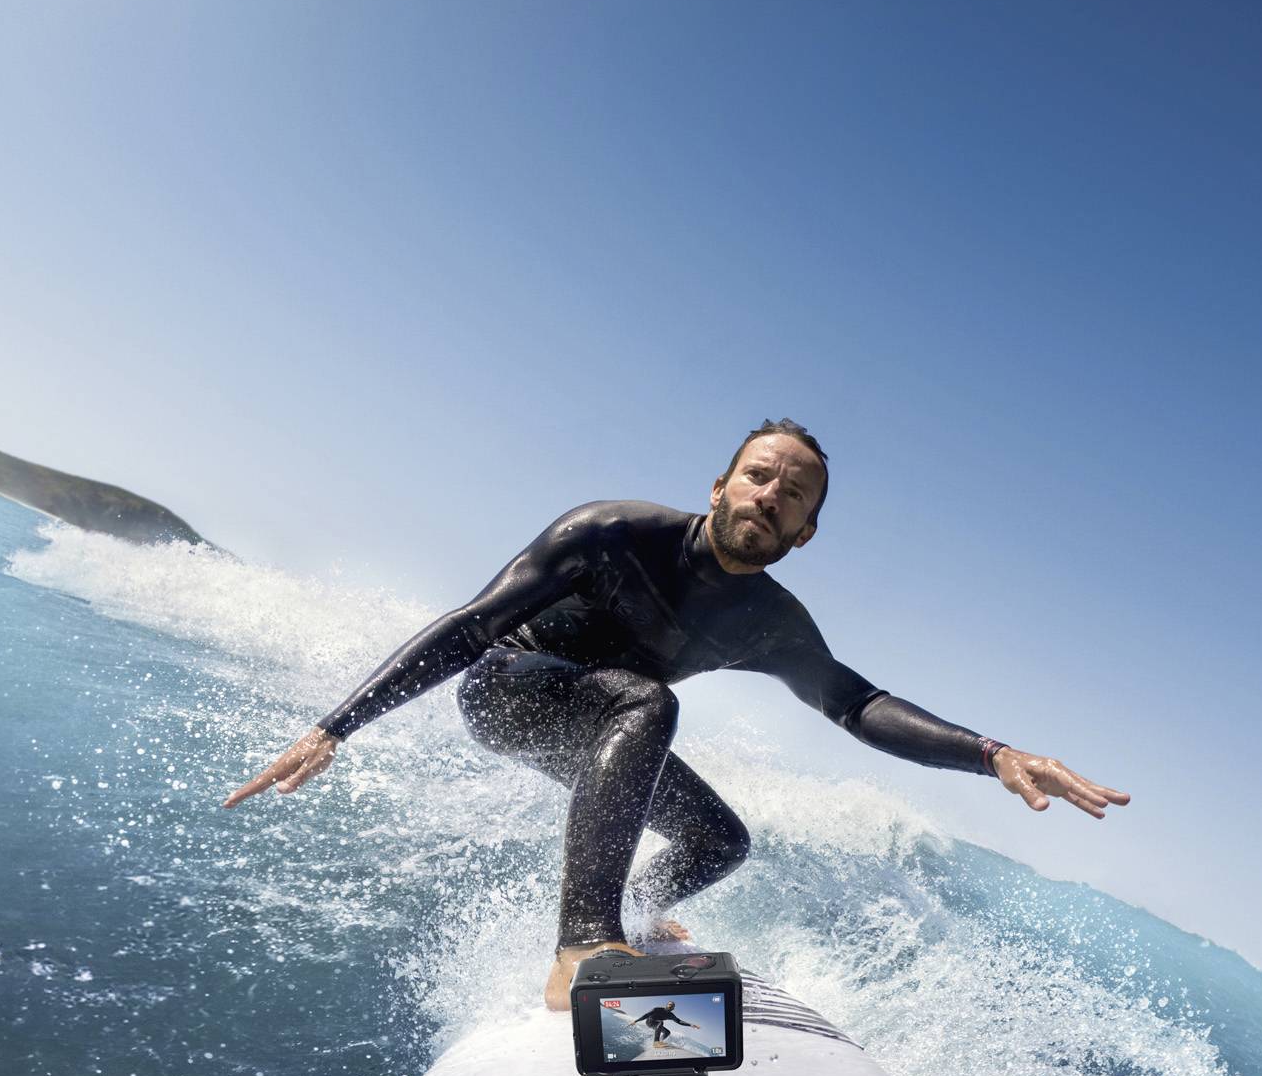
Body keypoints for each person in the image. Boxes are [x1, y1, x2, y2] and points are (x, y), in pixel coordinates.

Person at [225, 420, 1129, 1009]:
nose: (770, 495)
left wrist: (992, 752)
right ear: (719, 487)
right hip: (507, 688)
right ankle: (582, 944)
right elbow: (471, 625)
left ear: (804, 533)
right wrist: (336, 726)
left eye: (793, 494)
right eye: (758, 476)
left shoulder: (769, 623)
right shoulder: (609, 532)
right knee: (646, 699)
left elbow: (856, 704)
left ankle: (643, 916)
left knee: (719, 841)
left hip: (613, 722)